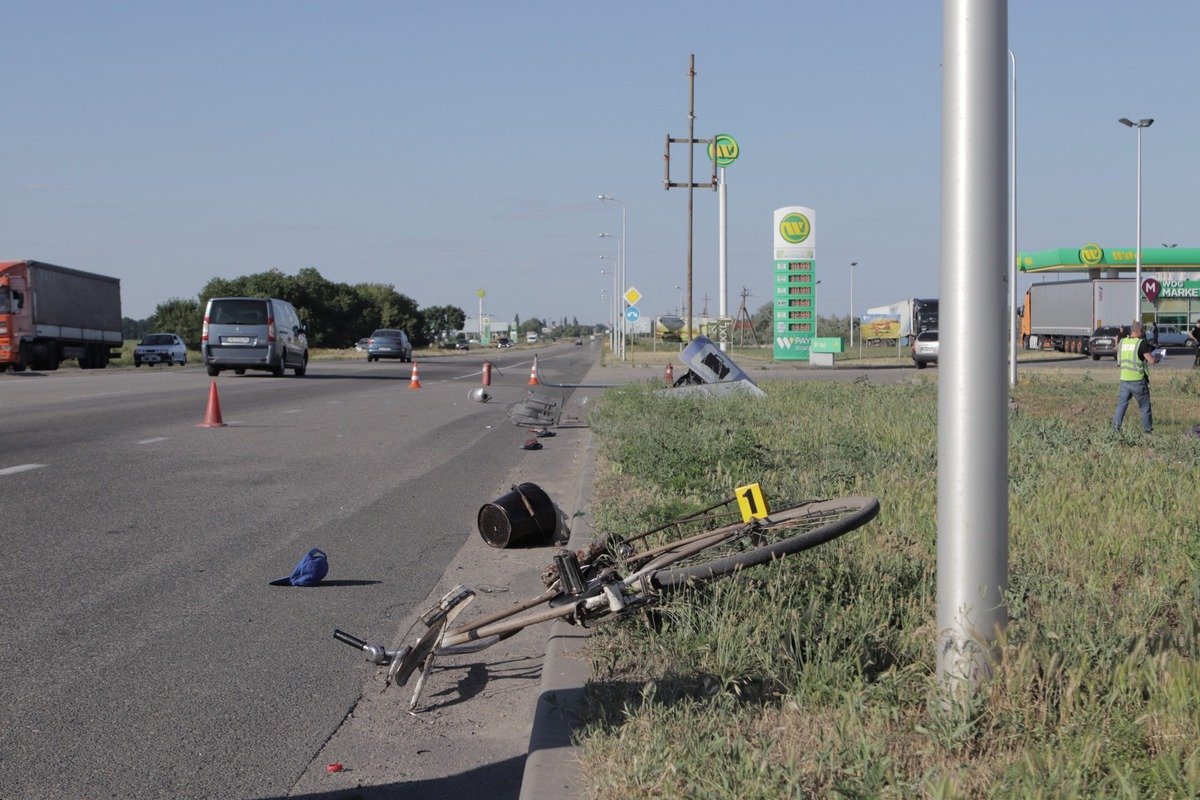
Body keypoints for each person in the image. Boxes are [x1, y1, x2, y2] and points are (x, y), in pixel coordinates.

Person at [1112, 320, 1160, 434]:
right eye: (1142, 331)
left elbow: (1117, 353)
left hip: (1124, 379)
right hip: (1137, 380)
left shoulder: (1123, 342)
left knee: (1121, 406)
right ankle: (1148, 432)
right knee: (1144, 407)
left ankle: (1115, 430)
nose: (1143, 333)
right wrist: (1158, 357)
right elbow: (1151, 360)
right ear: (1138, 331)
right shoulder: (1140, 343)